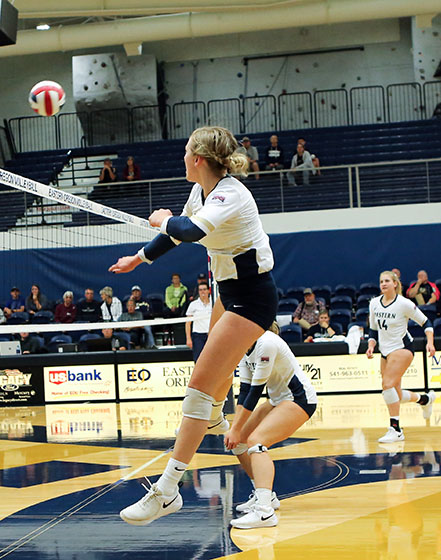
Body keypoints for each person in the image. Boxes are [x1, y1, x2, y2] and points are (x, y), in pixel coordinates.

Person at [109, 125, 276, 525]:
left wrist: (165, 220)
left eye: (186, 152)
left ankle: (168, 490)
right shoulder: (202, 190)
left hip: (251, 297)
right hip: (229, 292)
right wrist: (140, 258)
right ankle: (262, 494)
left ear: (198, 159)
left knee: (199, 388)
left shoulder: (230, 193)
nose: (182, 158)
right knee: (211, 394)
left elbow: (187, 229)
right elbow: (179, 230)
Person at [223, 323, 317, 529]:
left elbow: (256, 392)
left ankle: (264, 513)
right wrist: (235, 429)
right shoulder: (244, 347)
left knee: (256, 442)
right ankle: (265, 496)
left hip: (299, 399)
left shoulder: (266, 343)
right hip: (277, 400)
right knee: (238, 444)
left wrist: (236, 428)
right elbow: (245, 390)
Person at [366, 270, 436, 444]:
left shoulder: (404, 303)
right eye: (381, 281)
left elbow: (426, 322)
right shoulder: (374, 303)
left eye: (387, 281)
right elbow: (374, 329)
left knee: (387, 385)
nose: (383, 284)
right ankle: (425, 399)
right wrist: (371, 345)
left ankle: (396, 429)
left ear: (395, 283)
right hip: (384, 350)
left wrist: (430, 342)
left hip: (402, 348)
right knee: (395, 393)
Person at [185, 283, 213, 362]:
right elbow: (188, 323)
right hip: (198, 336)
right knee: (198, 359)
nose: (202, 292)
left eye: (204, 289)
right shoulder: (193, 305)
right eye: (200, 290)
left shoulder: (214, 303)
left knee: (213, 359)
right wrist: (188, 338)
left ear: (208, 291)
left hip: (211, 334)